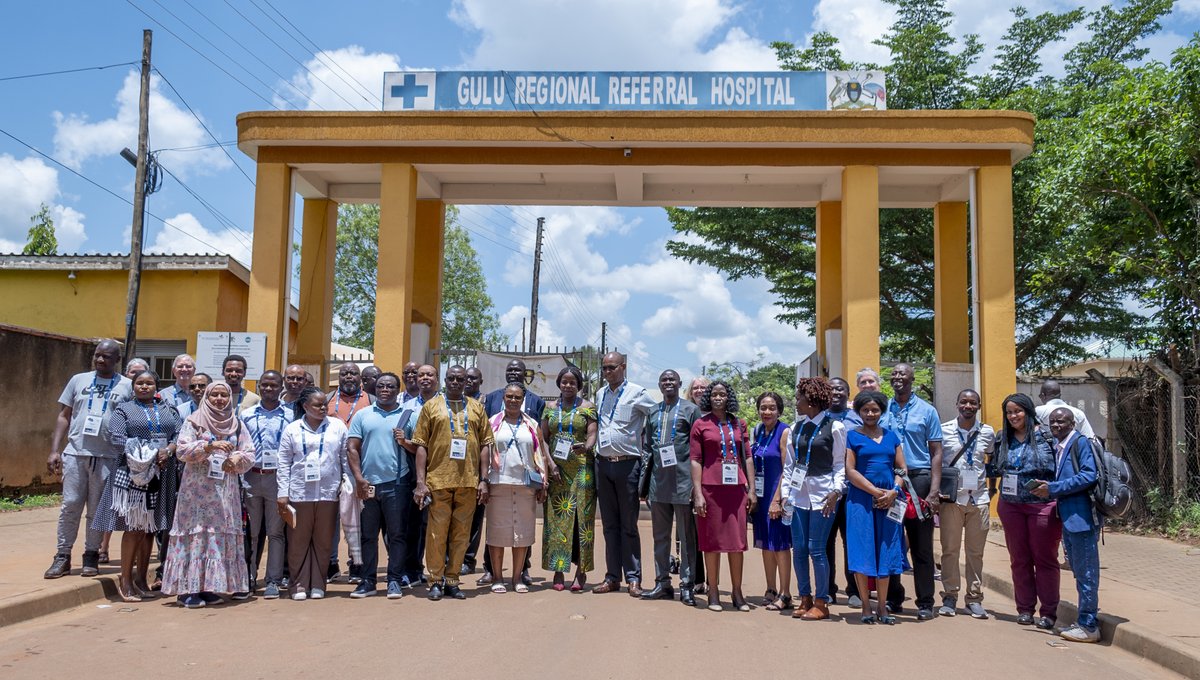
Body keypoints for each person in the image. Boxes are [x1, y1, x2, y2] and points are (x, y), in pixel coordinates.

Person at [44, 339, 133, 579]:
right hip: (75, 453)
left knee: (96, 510)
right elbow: (64, 415)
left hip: (107, 456)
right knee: (70, 506)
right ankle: (62, 556)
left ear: (117, 360)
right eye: (97, 355)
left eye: (106, 356)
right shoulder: (78, 380)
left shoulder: (127, 386)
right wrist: (55, 450)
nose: (100, 360)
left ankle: (91, 555)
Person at [162, 382, 255, 608]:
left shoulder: (237, 425)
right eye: (215, 395)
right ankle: (187, 590)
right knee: (195, 536)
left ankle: (207, 587)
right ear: (206, 396)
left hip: (224, 493)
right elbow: (182, 451)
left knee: (214, 537)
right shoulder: (193, 421)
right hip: (196, 494)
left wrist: (237, 459)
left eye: (224, 395)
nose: (220, 399)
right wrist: (209, 447)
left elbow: (250, 453)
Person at [93, 369, 183, 601]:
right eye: (139, 383)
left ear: (157, 386)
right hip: (134, 473)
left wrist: (169, 450)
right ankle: (125, 580)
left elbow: (179, 435)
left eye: (149, 383)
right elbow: (115, 437)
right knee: (134, 527)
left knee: (150, 528)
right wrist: (148, 451)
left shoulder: (168, 409)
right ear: (133, 386)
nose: (144, 387)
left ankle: (142, 579)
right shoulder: (124, 409)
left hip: (162, 473)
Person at [410, 365, 494, 601]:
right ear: (445, 380)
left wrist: (484, 479)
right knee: (437, 534)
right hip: (438, 480)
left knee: (461, 534)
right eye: (452, 378)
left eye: (461, 379)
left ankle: (453, 580)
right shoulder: (431, 406)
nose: (456, 382)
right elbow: (421, 445)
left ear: (467, 381)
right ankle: (436, 580)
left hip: (468, 480)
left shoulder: (477, 407)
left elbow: (486, 443)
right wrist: (420, 482)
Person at [989, 393, 1060, 629]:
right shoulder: (1003, 438)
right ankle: (1025, 609)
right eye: (1009, 412)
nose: (1013, 416)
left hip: (1042, 506)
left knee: (1045, 558)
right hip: (1010, 506)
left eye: (1017, 411)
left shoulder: (1047, 436)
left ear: (1028, 411)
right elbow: (995, 468)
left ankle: (1048, 612)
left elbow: (1060, 469)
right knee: (1019, 559)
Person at [777, 378, 846, 620]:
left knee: (817, 549)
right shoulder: (796, 429)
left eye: (799, 398)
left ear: (812, 400)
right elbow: (789, 466)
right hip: (798, 496)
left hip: (823, 496)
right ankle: (804, 597)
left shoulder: (835, 427)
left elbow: (839, 464)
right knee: (799, 549)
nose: (796, 403)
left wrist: (836, 491)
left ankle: (822, 601)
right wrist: (786, 495)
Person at [1032, 408, 1102, 642]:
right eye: (1052, 422)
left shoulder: (1079, 443)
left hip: (1081, 519)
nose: (1056, 426)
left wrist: (1053, 489)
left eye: (1061, 422)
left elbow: (1088, 475)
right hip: (1069, 519)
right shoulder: (1061, 446)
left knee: (1087, 573)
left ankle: (1089, 626)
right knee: (1080, 573)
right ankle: (1084, 621)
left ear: (1072, 423)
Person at [879, 363, 943, 620]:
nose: (897, 377)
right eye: (894, 374)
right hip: (892, 480)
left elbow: (937, 452)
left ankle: (925, 601)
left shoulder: (927, 411)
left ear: (912, 379)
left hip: (919, 481)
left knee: (921, 545)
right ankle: (894, 597)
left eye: (902, 374)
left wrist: (934, 492)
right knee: (892, 541)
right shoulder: (884, 410)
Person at [593, 352, 657, 596]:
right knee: (609, 524)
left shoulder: (637, 393)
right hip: (603, 464)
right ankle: (612, 577)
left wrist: (649, 448)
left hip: (628, 465)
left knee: (628, 524)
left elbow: (656, 417)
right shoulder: (600, 394)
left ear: (623, 367)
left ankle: (633, 577)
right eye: (604, 368)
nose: (607, 372)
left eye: (611, 367)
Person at [477, 359, 546, 585]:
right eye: (509, 397)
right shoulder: (492, 422)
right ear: (503, 399)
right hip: (498, 484)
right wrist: (484, 481)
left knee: (523, 535)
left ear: (523, 400)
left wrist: (542, 483)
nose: (513, 400)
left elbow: (540, 454)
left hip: (525, 486)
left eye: (517, 397)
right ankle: (497, 577)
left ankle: (517, 578)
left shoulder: (532, 425)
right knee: (496, 534)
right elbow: (484, 451)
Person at [276, 387, 348, 601]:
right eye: (317, 405)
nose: (323, 408)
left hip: (328, 492)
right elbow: (283, 462)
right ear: (305, 406)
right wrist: (282, 492)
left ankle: (318, 583)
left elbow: (344, 457)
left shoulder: (337, 426)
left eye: (324, 404)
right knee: (299, 540)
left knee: (323, 540)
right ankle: (298, 584)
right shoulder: (293, 429)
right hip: (299, 493)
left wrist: (346, 483)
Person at [690, 380, 756, 612]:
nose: (718, 397)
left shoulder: (740, 423)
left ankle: (737, 593)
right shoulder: (701, 424)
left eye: (723, 394)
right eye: (714, 394)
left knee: (737, 543)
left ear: (729, 397)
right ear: (709, 397)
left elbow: (747, 457)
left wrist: (752, 489)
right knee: (712, 542)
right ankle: (714, 591)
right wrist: (698, 493)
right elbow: (696, 460)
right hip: (710, 489)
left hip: (735, 489)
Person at [347, 372, 412, 600]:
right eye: (382, 386)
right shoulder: (363, 415)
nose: (385, 389)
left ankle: (394, 580)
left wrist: (406, 442)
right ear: (376, 388)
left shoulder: (407, 416)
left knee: (397, 535)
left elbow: (420, 449)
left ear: (398, 390)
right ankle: (368, 581)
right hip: (368, 485)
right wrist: (359, 478)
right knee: (368, 535)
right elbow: (352, 448)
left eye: (391, 386)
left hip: (397, 484)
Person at [639, 370, 701, 605]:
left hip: (683, 483)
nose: (668, 383)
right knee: (660, 537)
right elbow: (648, 450)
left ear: (679, 384)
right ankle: (662, 582)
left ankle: (687, 585)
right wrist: (644, 486)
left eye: (672, 380)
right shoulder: (653, 412)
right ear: (659, 384)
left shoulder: (690, 410)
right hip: (658, 484)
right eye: (664, 380)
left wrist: (697, 487)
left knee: (686, 538)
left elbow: (697, 450)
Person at [845, 390, 907, 624]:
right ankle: (865, 606)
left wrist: (894, 491)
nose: (870, 413)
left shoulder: (892, 436)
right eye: (865, 410)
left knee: (886, 551)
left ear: (882, 411)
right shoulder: (852, 436)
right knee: (862, 550)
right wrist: (874, 491)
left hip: (889, 500)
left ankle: (882, 607)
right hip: (861, 501)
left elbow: (902, 468)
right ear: (859, 412)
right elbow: (850, 470)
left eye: (875, 409)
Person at [937, 389, 996, 619]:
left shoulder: (987, 432)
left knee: (975, 553)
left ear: (979, 406)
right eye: (964, 402)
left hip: (979, 500)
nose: (968, 406)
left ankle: (974, 598)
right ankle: (950, 596)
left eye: (973, 402)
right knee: (950, 550)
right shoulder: (944, 430)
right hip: (952, 499)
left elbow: (990, 462)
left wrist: (991, 489)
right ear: (957, 404)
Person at [541, 366, 598, 592]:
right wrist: (550, 464)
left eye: (572, 382)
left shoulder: (588, 408)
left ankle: (580, 572)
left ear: (579, 385)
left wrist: (587, 446)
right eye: (564, 382)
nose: (567, 386)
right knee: (557, 519)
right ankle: (558, 570)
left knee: (582, 520)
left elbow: (593, 433)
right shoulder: (549, 408)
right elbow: (544, 439)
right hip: (557, 470)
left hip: (583, 469)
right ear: (559, 383)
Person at [240, 371, 289, 599]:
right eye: (265, 385)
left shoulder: (290, 416)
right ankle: (248, 578)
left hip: (277, 479)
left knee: (275, 532)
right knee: (251, 532)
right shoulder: (247, 415)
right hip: (251, 476)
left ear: (281, 388)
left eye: (274, 385)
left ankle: (273, 581)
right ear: (259, 387)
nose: (269, 389)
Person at [325, 362, 373, 581]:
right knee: (332, 517)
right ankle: (331, 563)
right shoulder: (326, 399)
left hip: (361, 466)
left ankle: (356, 562)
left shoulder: (370, 400)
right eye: (344, 373)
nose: (349, 377)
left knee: (360, 517)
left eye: (354, 373)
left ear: (360, 378)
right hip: (331, 467)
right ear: (339, 377)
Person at [395, 364, 440, 588]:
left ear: (436, 378)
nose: (424, 378)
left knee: (434, 525)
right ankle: (411, 569)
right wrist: (407, 443)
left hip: (441, 471)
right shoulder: (407, 407)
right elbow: (402, 440)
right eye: (421, 375)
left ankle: (439, 570)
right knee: (412, 524)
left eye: (429, 374)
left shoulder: (445, 406)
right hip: (413, 472)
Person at [750, 391, 793, 611]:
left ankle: (786, 594)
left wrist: (777, 500)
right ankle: (771, 589)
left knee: (780, 544)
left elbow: (788, 469)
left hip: (777, 495)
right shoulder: (758, 431)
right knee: (766, 544)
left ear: (779, 410)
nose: (767, 412)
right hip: (761, 494)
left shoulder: (784, 431)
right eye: (763, 408)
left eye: (772, 408)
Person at [824, 376, 861, 605]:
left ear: (848, 394)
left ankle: (854, 589)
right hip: (826, 491)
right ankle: (827, 588)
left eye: (840, 389)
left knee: (852, 541)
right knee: (826, 541)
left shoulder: (859, 420)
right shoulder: (819, 419)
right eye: (831, 389)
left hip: (853, 492)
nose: (836, 392)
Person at [684, 375, 710, 592]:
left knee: (712, 531)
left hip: (715, 481)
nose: (699, 390)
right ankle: (697, 578)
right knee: (692, 532)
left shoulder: (720, 416)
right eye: (696, 387)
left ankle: (714, 580)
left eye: (703, 387)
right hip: (690, 480)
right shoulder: (685, 413)